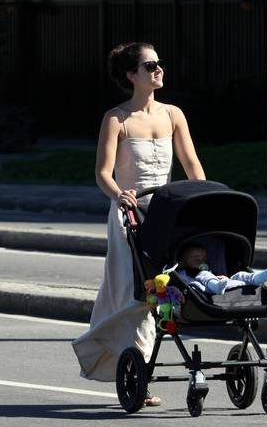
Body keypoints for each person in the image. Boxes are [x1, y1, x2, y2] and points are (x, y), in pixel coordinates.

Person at [71, 42, 207, 407]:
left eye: (160, 64)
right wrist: (118, 194)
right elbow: (102, 173)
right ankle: (137, 374)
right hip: (129, 213)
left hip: (166, 211)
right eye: (150, 66)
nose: (159, 70)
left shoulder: (173, 114)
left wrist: (202, 198)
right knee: (136, 294)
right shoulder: (116, 119)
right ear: (132, 75)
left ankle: (138, 367)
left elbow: (192, 165)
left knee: (165, 287)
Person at [174, 243, 267, 294]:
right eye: (196, 259)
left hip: (223, 284)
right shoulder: (182, 273)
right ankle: (216, 286)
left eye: (204, 259)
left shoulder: (206, 271)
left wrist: (220, 278)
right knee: (204, 275)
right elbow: (189, 283)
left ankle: (256, 278)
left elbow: (211, 277)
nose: (202, 261)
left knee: (239, 275)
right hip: (206, 290)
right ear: (182, 263)